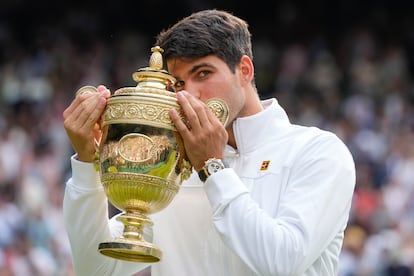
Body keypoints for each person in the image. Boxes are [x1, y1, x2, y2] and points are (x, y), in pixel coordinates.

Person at [63, 9, 356, 276]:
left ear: (244, 70)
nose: (189, 95)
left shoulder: (318, 151)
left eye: (203, 74)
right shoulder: (171, 163)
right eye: (177, 84)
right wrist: (87, 162)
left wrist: (212, 168)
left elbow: (282, 262)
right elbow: (97, 268)